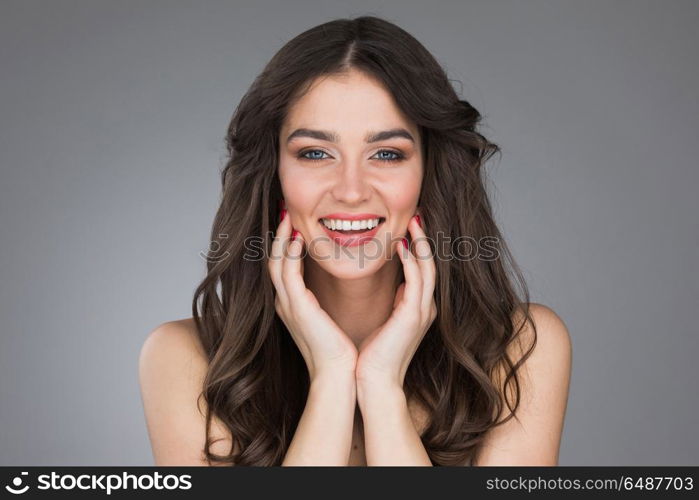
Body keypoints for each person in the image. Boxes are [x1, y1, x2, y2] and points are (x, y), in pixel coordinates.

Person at [138, 15, 572, 466]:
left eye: (386, 154)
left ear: (429, 172)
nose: (350, 189)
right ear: (274, 174)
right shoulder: (183, 358)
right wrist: (331, 376)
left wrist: (382, 386)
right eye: (315, 153)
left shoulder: (521, 347)